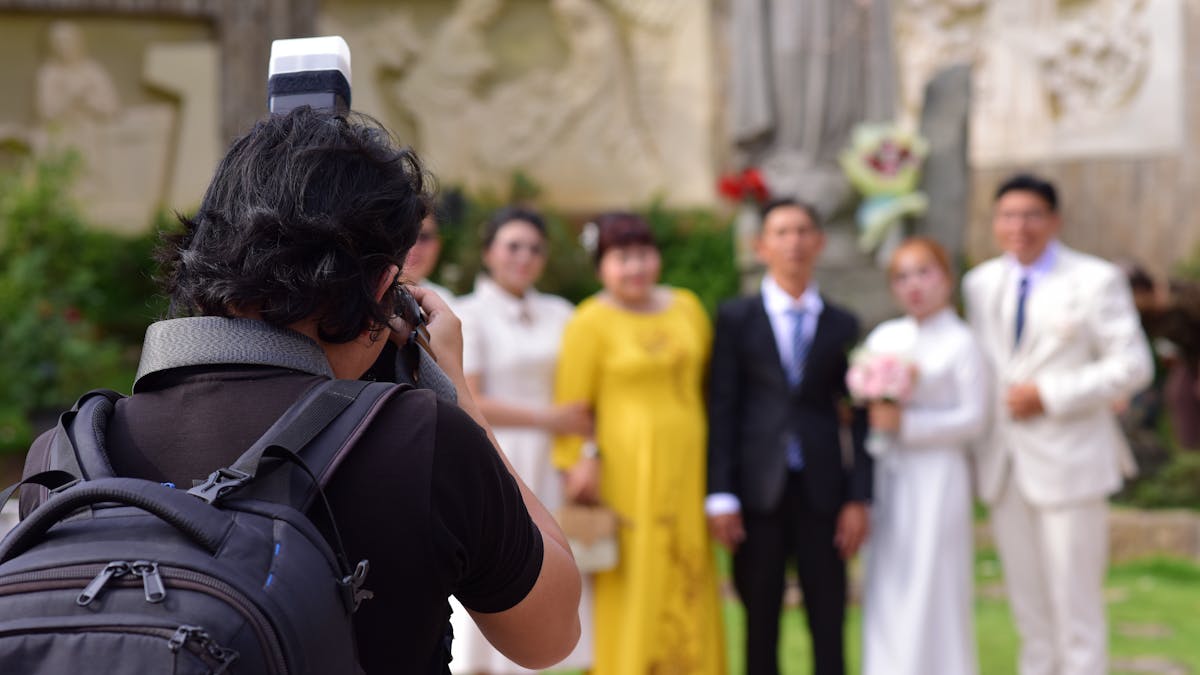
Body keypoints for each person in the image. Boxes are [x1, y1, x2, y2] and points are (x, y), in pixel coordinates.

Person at [20, 107, 582, 674]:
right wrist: (456, 387)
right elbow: (549, 635)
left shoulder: (63, 457)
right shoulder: (420, 438)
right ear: (386, 288)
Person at [963, 173, 1153, 675]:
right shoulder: (980, 284)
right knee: (1029, 612)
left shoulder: (1093, 279)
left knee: (1076, 610)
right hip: (1004, 466)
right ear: (995, 222)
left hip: (1070, 463)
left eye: (1030, 215)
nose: (1018, 226)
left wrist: (1049, 395)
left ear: (1054, 220)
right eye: (1008, 215)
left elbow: (1133, 365)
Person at [553, 212, 725, 674]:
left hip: (688, 467)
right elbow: (573, 405)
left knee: (687, 567)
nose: (635, 267)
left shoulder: (687, 307)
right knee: (636, 577)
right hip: (626, 471)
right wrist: (580, 461)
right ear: (601, 265)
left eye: (643, 254)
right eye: (621, 257)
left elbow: (709, 386)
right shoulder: (589, 321)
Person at [707, 198, 870, 675]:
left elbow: (859, 418)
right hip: (757, 492)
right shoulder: (736, 319)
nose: (793, 242)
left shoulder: (843, 324)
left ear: (819, 242)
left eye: (803, 231)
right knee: (759, 621)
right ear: (761, 246)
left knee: (829, 618)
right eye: (781, 232)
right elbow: (723, 407)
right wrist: (720, 493)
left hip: (824, 492)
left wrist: (859, 496)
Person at [450, 206, 594, 674]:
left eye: (534, 248)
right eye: (513, 246)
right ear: (489, 252)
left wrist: (585, 452)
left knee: (555, 556)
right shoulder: (467, 314)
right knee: (501, 555)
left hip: (554, 460)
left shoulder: (562, 312)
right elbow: (466, 392)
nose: (524, 257)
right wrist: (549, 417)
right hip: (497, 451)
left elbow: (585, 392)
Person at [859, 237, 986, 675]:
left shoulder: (963, 342)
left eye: (924, 273)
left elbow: (974, 417)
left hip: (938, 473)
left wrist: (907, 428)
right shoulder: (886, 336)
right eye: (902, 276)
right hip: (889, 473)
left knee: (935, 578)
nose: (914, 285)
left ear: (946, 278)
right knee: (887, 576)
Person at [404, 211, 456, 302]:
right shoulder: (371, 299)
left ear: (438, 245)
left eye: (424, 237)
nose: (413, 246)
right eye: (405, 235)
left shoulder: (446, 301)